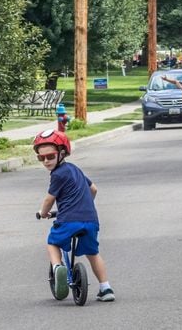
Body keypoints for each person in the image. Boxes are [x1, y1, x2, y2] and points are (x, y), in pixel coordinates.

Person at [33, 129, 115, 302]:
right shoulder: (75, 169)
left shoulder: (57, 174)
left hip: (69, 220)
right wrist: (85, 204)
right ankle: (105, 288)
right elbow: (93, 189)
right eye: (41, 158)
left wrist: (43, 212)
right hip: (91, 220)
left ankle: (58, 269)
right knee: (93, 253)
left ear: (62, 153)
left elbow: (49, 199)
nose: (46, 161)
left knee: (52, 242)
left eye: (50, 156)